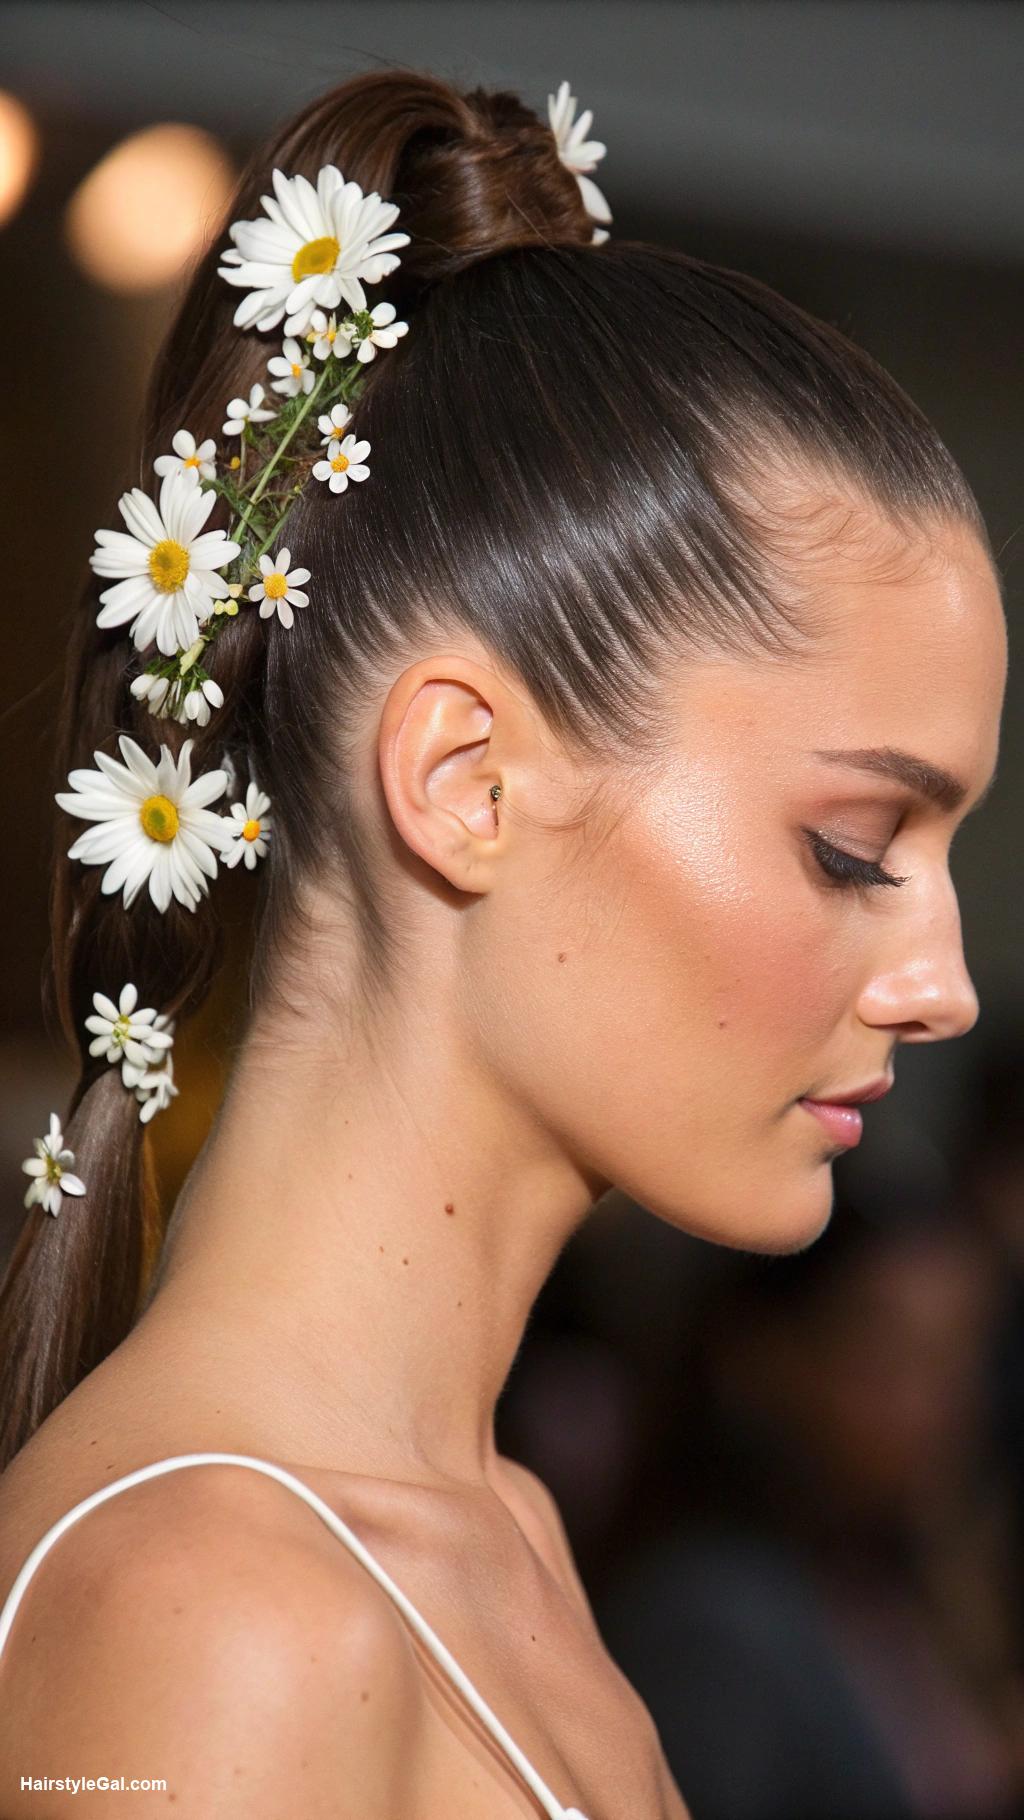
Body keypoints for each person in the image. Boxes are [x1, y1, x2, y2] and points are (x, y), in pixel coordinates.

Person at [0, 64, 1006, 1820]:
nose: (946, 983)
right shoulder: (219, 1617)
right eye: (853, 846)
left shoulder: (498, 1534)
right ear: (464, 781)